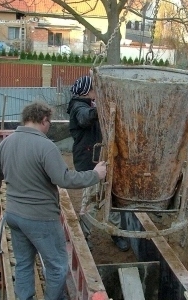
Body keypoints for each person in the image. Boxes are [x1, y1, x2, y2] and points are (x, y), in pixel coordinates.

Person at [0, 100, 107, 300]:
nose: (49, 126)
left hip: (14, 216)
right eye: (49, 122)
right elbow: (64, 179)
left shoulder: (6, 143)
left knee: (24, 263)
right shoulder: (46, 146)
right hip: (41, 218)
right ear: (43, 120)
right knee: (57, 265)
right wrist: (95, 174)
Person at [66, 75, 130, 252]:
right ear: (87, 91)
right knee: (92, 200)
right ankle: (83, 236)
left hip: (102, 158)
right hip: (90, 162)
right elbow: (85, 118)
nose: (97, 91)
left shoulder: (89, 104)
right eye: (94, 89)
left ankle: (116, 233)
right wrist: (105, 107)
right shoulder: (78, 107)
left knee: (113, 196)